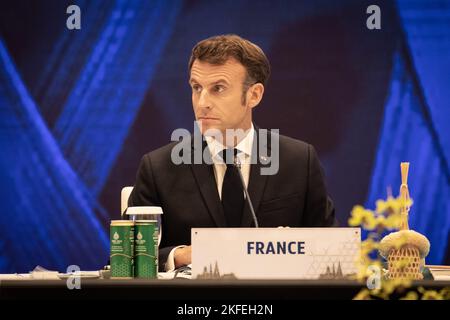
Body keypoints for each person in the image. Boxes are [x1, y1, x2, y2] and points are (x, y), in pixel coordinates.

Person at [129, 34, 337, 272]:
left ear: (254, 95)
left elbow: (331, 250)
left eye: (218, 88)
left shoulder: (299, 161)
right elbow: (126, 259)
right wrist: (181, 255)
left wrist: (293, 245)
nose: (202, 102)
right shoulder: (158, 167)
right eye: (197, 88)